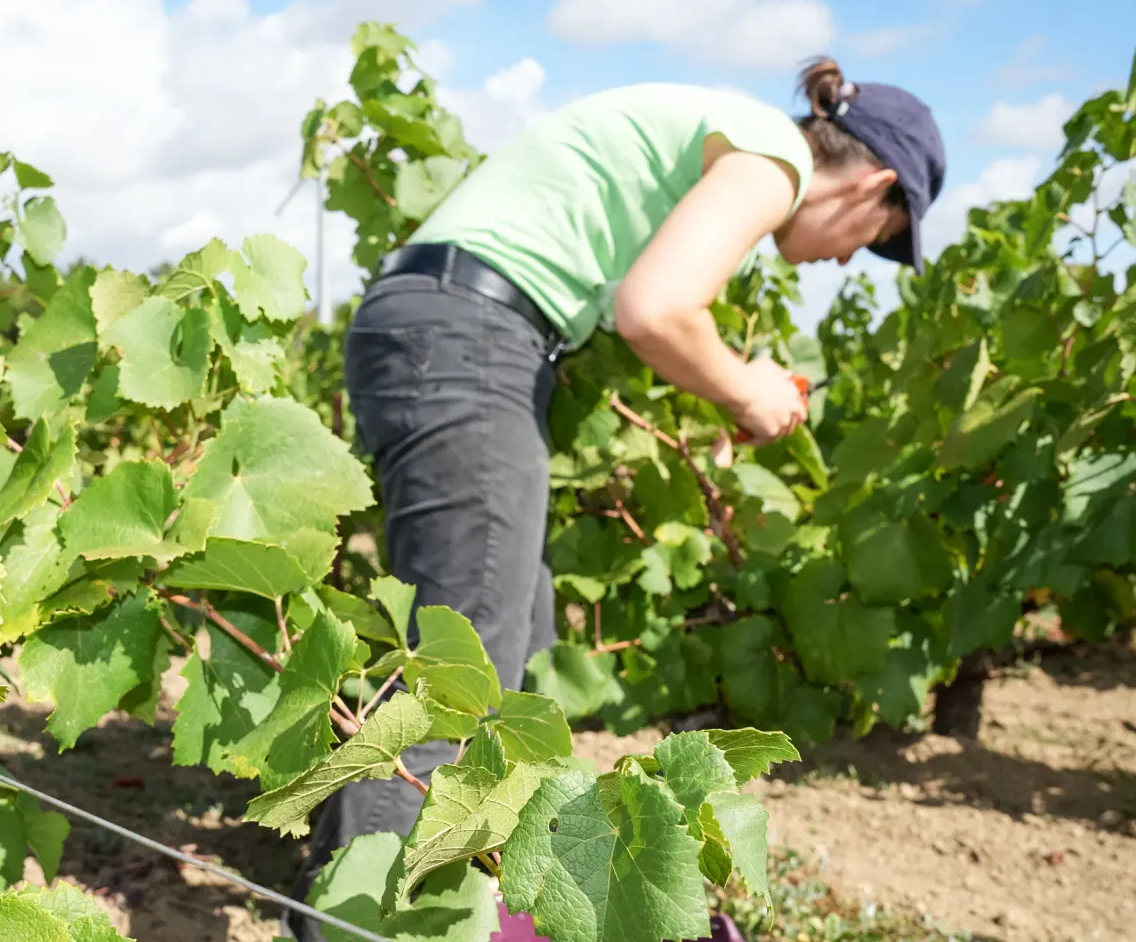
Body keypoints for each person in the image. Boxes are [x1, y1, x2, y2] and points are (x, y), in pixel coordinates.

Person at [282, 57, 945, 940]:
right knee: (463, 679)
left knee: (512, 647)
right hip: (469, 338)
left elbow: (643, 304)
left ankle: (460, 901)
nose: (852, 254)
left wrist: (720, 393)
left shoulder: (725, 132)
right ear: (874, 183)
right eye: (877, 236)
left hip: (457, 335)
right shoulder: (773, 159)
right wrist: (748, 389)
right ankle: (355, 925)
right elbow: (654, 309)